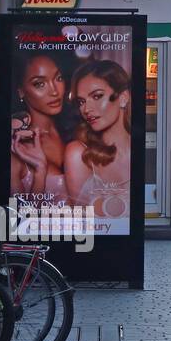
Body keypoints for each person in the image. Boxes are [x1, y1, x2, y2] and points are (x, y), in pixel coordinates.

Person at [64, 61, 133, 221]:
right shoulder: (78, 154)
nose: (86, 109)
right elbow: (84, 221)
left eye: (97, 96)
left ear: (123, 98)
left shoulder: (142, 149)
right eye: (81, 101)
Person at [9, 53, 75, 203]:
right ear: (21, 91)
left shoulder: (77, 132)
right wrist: (40, 172)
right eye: (39, 84)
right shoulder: (17, 149)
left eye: (58, 78)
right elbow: (16, 222)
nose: (54, 91)